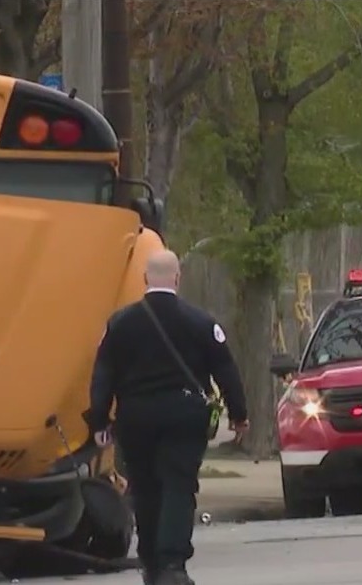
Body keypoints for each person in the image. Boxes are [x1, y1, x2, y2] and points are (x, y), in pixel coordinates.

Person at [84, 249, 249, 585]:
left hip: (136, 416)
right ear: (178, 278)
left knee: (144, 489)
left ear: (145, 279)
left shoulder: (120, 323)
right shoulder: (201, 321)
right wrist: (239, 414)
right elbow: (226, 370)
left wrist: (100, 421)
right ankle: (172, 564)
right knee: (179, 486)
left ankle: (150, 562)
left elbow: (103, 374)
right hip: (184, 415)